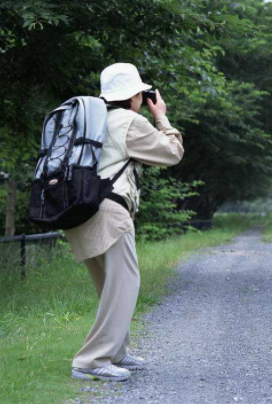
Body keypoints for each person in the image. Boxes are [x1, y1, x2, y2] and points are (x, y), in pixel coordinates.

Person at [64, 63, 184, 381]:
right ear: (134, 95)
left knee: (109, 287)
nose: (142, 100)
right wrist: (161, 116)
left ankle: (115, 351)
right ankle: (92, 360)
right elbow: (172, 153)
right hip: (110, 212)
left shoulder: (88, 119)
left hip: (79, 210)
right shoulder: (130, 121)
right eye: (142, 95)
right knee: (125, 284)